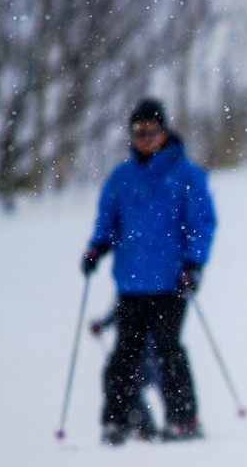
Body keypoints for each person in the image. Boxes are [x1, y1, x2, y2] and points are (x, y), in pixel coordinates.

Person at [81, 98, 217, 445]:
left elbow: (201, 223)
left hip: (171, 282)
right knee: (124, 354)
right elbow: (108, 220)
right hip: (131, 283)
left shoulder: (186, 174)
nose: (145, 139)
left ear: (164, 131)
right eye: (138, 132)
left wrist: (193, 264)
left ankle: (183, 420)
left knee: (169, 349)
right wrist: (97, 247)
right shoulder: (122, 177)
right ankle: (118, 421)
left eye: (151, 131)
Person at [88, 300, 161, 439]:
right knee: (125, 383)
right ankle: (137, 426)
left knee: (129, 384)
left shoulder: (143, 296)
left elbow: (118, 310)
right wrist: (103, 324)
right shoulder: (129, 296)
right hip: (137, 353)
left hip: (147, 354)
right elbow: (118, 309)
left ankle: (139, 426)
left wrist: (104, 324)